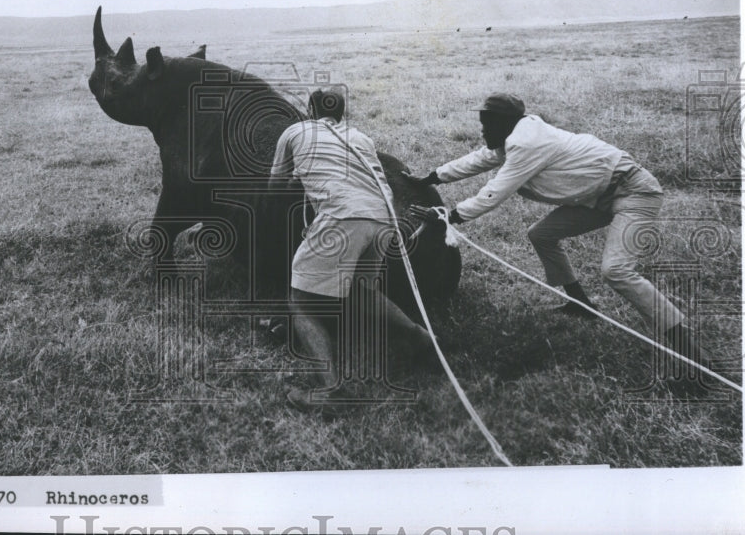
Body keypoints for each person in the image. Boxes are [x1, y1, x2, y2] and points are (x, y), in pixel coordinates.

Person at [403, 93, 709, 366]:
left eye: (487, 125)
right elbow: (479, 159)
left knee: (616, 271)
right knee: (542, 235)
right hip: (596, 197)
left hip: (633, 191)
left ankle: (698, 359)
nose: (482, 131)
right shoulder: (513, 136)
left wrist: (450, 215)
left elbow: (495, 191)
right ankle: (582, 304)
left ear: (506, 123)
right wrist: (430, 178)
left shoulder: (526, 143)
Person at [270, 88, 434, 413]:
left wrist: (297, 179)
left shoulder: (295, 131)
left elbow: (275, 186)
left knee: (300, 301)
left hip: (343, 216)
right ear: (341, 113)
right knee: (361, 291)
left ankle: (332, 391)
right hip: (384, 218)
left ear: (310, 108)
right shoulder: (361, 137)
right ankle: (423, 340)